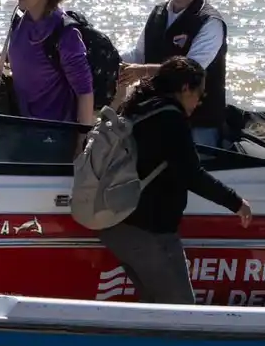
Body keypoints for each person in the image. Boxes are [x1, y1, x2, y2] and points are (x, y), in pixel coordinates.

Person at [99, 56, 252, 304]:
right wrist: (236, 202)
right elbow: (192, 174)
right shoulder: (169, 119)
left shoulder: (138, 107)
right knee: (181, 314)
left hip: (118, 226)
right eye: (200, 94)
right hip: (148, 233)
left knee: (154, 311)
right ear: (184, 88)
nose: (200, 102)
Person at [116, 0, 228, 147]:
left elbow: (190, 70)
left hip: (199, 118)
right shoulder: (158, 13)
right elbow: (138, 55)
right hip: (158, 111)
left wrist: (142, 71)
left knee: (193, 167)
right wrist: (112, 60)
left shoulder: (210, 21)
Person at [0, 0, 95, 125]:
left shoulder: (65, 34)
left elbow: (85, 92)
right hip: (22, 121)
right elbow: (22, 55)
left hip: (54, 131)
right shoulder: (20, 21)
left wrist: (81, 143)